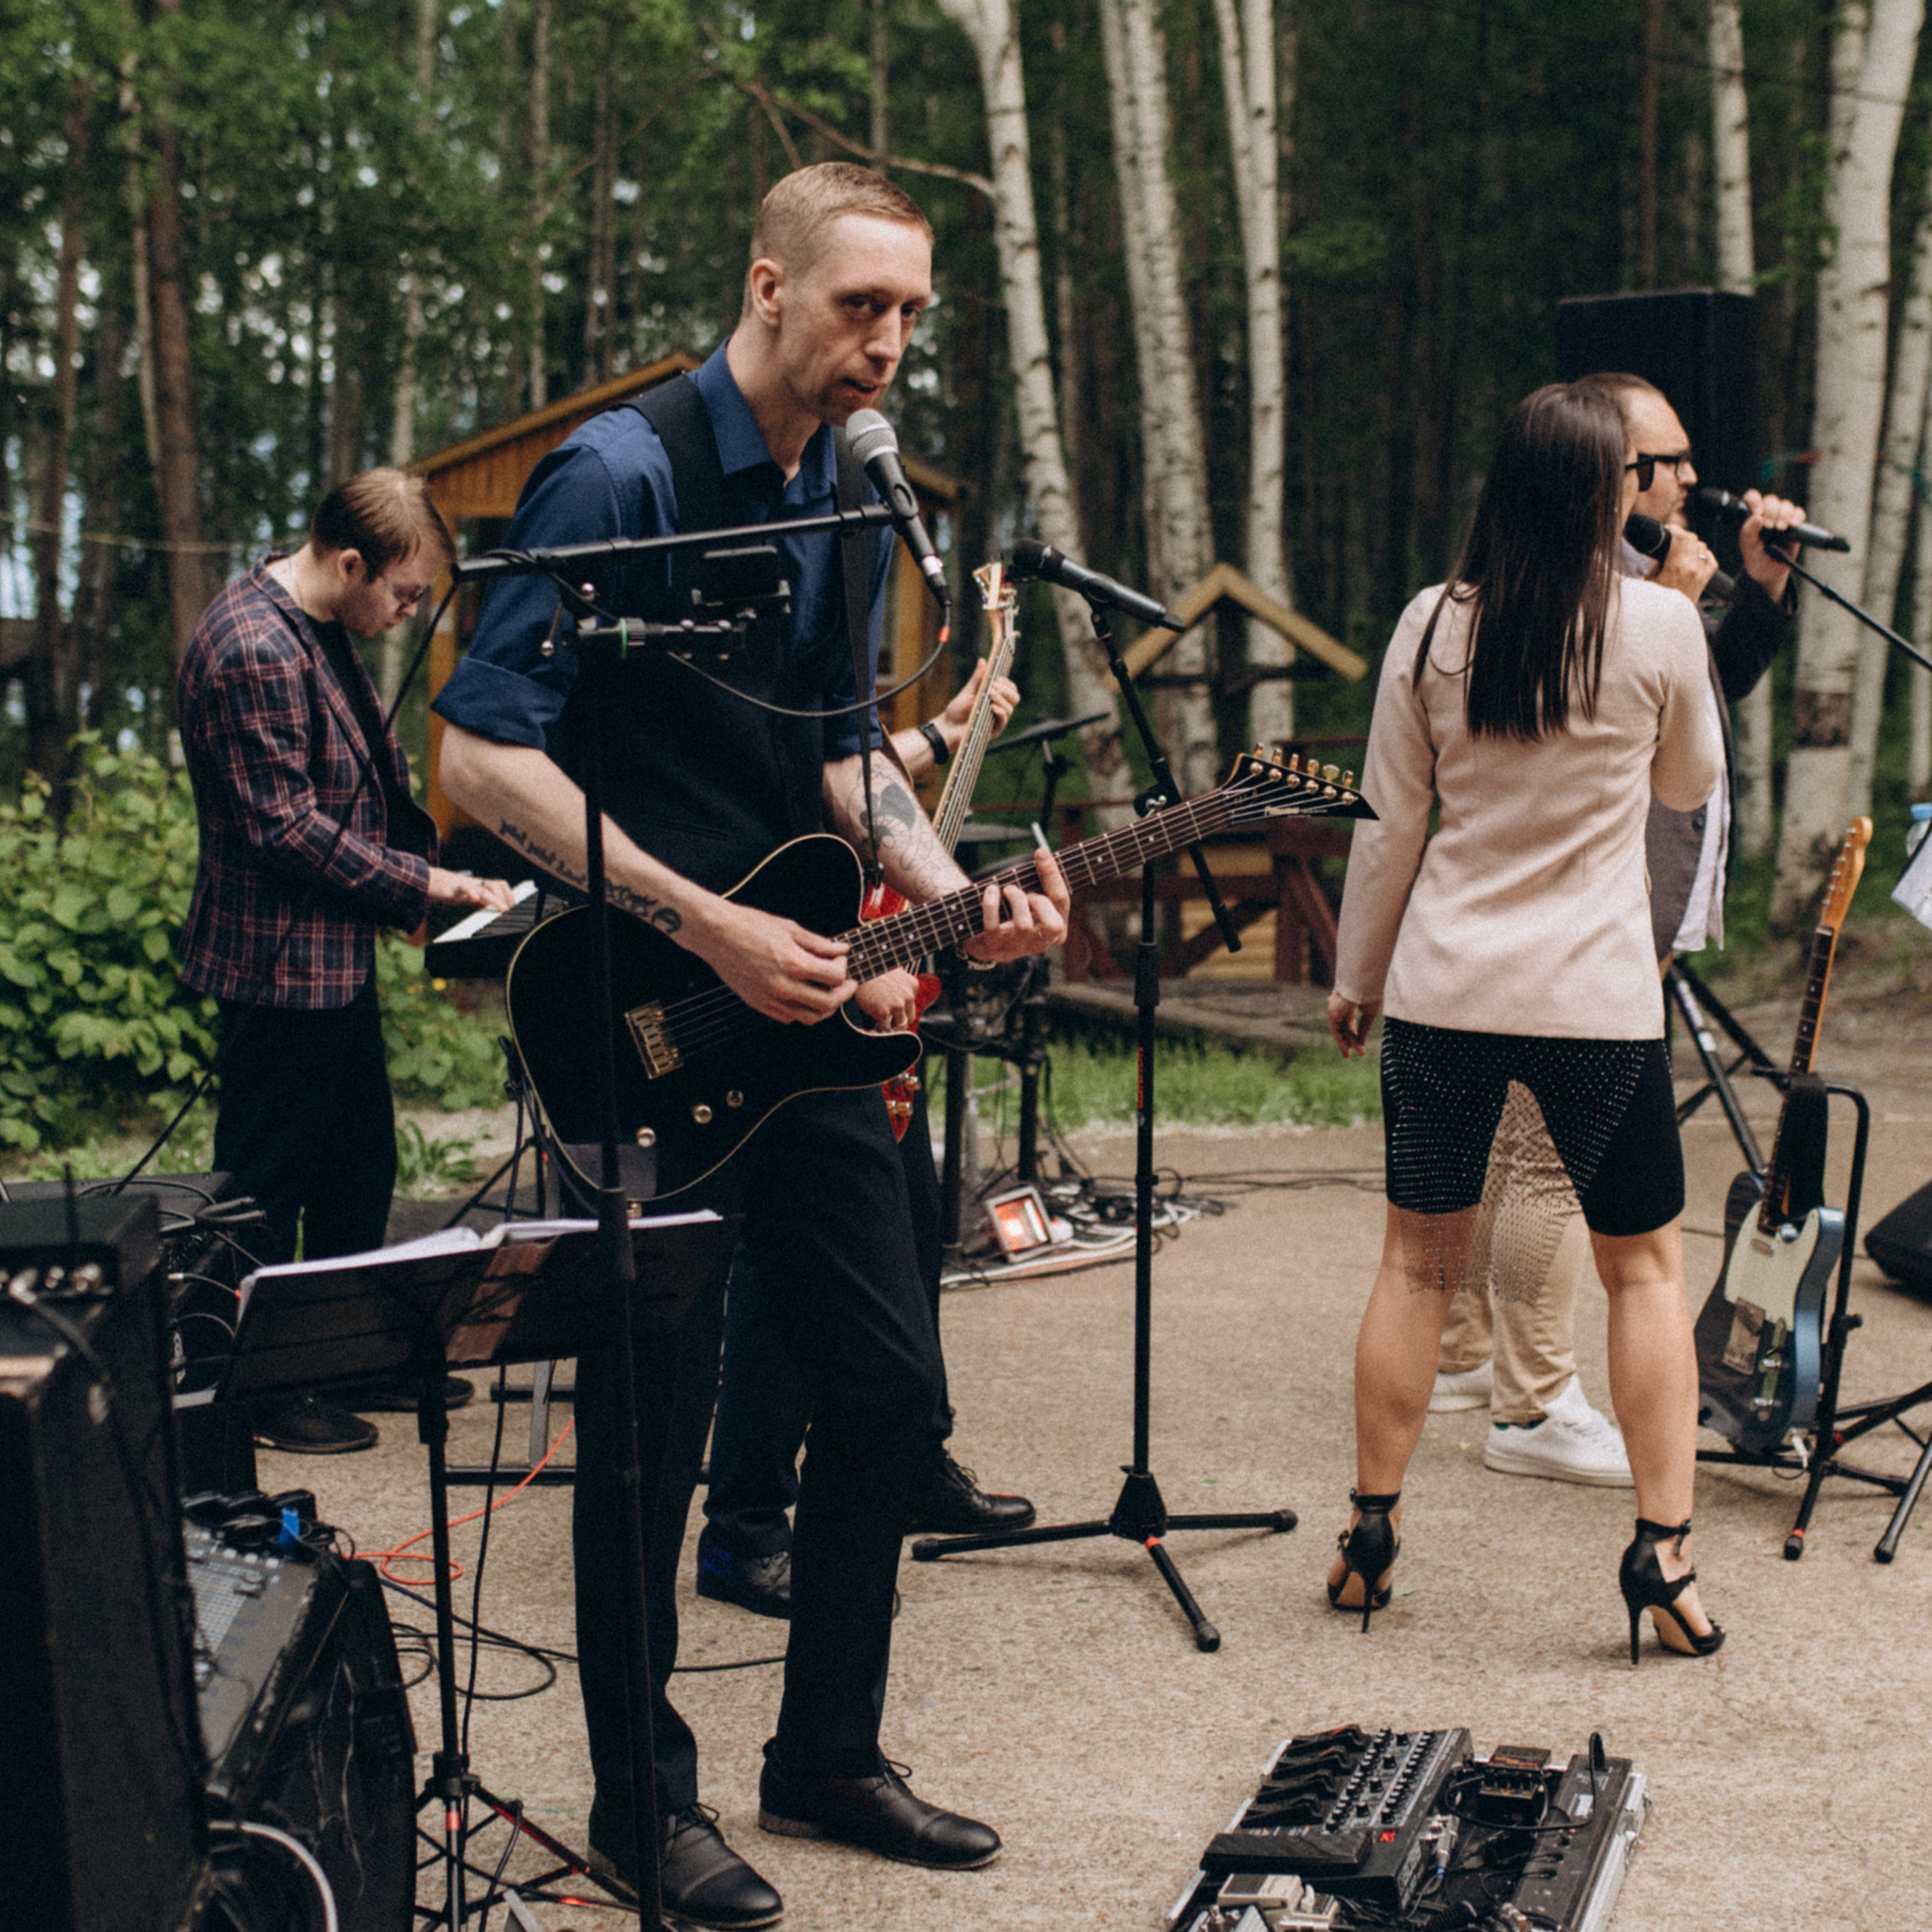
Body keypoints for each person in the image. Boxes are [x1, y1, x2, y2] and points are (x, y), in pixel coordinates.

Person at [435, 162, 1069, 1928]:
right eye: (859, 304)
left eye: (910, 318)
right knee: (645, 1433)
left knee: (881, 1388)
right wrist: (700, 916)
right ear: (768, 285)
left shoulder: (851, 498)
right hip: (635, 1013)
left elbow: (845, 760)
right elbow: (485, 754)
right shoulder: (622, 473)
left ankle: (826, 1752)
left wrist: (949, 889)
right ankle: (641, 1803)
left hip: (799, 1019)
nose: (885, 344)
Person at [1325, 380, 1727, 1666]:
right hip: (1594, 1005)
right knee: (1644, 1272)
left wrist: (1356, 975)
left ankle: (1372, 1535)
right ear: (1604, 495)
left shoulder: (1434, 626)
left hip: (1445, 992)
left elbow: (1391, 820)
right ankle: (1661, 1555)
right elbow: (1690, 782)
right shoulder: (1660, 627)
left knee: (1414, 1266)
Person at [1432, 374, 1806, 1489]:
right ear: (1610, 474)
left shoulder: (1638, 580)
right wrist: (1691, 606)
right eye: (1669, 461)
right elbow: (1642, 746)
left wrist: (1760, 593)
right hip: (1584, 915)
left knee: (1505, 1144)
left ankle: (1461, 1352)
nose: (1693, 480)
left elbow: (1709, 698)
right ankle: (1532, 1401)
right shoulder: (1589, 591)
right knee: (1547, 1157)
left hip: (1562, 914)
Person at [176, 470, 513, 1454]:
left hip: (331, 962)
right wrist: (425, 888)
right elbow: (283, 825)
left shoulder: (320, 627)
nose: (406, 615)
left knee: (359, 1167)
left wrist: (419, 874)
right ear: (349, 561)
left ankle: (345, 1354)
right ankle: (255, 1389)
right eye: (403, 596)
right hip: (271, 972)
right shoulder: (250, 644)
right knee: (263, 1190)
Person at [697, 662, 1037, 1624]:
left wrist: (943, 726)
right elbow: (776, 833)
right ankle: (746, 1525)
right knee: (782, 1289)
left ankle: (912, 1458)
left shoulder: (827, 630)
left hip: (867, 1025)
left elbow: (845, 772)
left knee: (909, 1243)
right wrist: (852, 976)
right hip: (788, 1005)